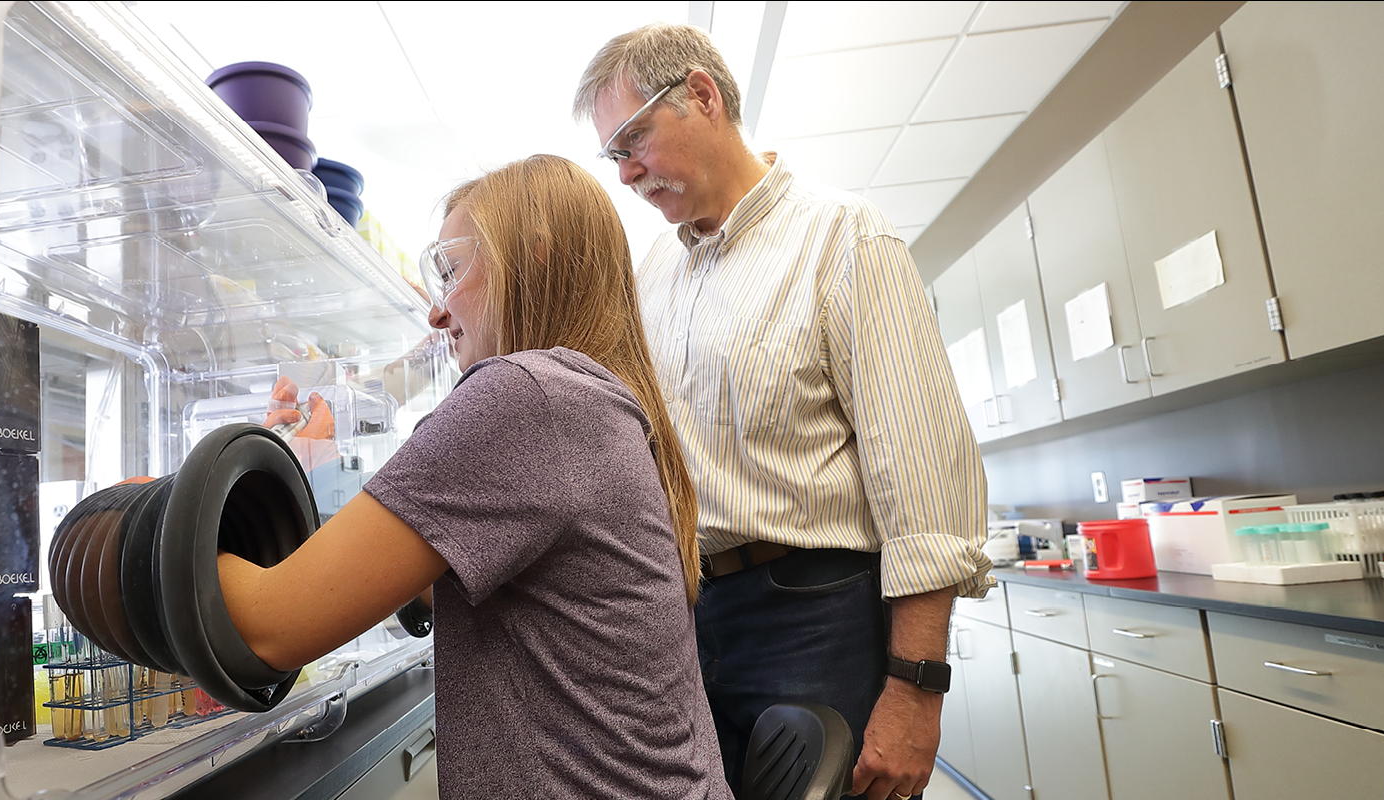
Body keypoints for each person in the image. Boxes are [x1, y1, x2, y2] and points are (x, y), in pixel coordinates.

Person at [218, 154, 733, 799]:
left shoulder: (525, 396)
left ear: (533, 257)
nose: (437, 314)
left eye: (452, 271)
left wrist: (146, 520)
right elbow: (448, 588)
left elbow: (271, 626)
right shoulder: (593, 399)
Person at [574, 24, 993, 800]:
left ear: (701, 95)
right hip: (690, 617)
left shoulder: (842, 237)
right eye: (614, 155)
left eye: (634, 140)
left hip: (817, 610)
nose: (626, 173)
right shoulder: (656, 273)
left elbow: (924, 487)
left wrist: (915, 690)